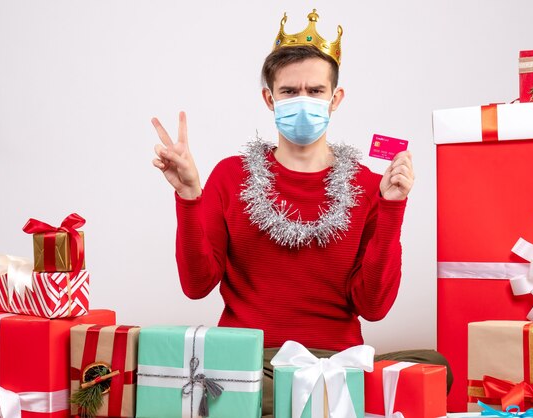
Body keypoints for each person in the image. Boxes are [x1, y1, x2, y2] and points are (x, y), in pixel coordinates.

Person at [152, 9, 451, 417]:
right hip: (253, 361)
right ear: (269, 98)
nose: (302, 101)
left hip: (334, 363)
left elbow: (374, 306)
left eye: (315, 90)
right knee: (265, 391)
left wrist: (392, 207)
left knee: (436, 368)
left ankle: (303, 400)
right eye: (290, 91)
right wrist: (189, 197)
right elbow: (196, 284)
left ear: (335, 98)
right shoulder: (230, 175)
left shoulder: (367, 184)